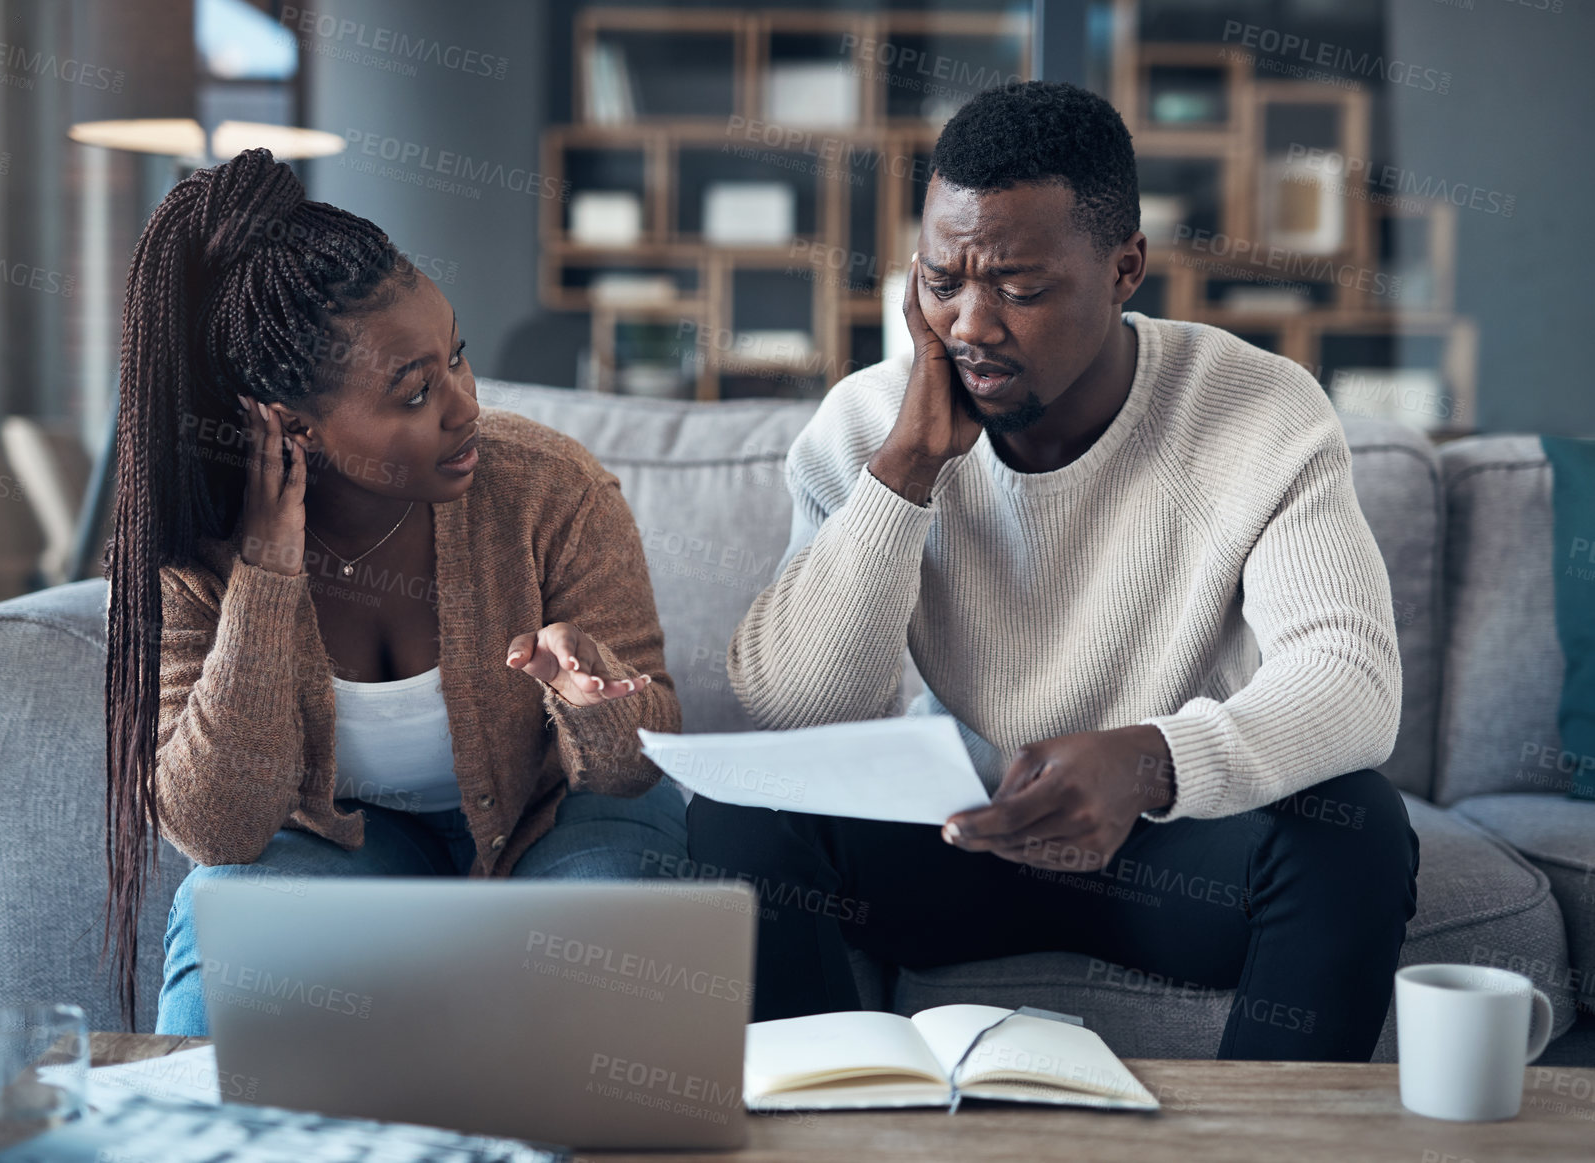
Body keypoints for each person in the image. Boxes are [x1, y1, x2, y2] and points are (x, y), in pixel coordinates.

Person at [686, 81, 1420, 1061]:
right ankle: (827, 1122)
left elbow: (1350, 683)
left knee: (1355, 825)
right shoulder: (869, 423)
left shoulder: (1258, 411)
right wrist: (903, 472)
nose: (969, 325)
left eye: (1018, 289)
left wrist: (1148, 759)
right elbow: (796, 708)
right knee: (738, 815)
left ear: (1123, 270)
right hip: (955, 845)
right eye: (940, 282)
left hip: (1168, 853)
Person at [100, 147, 687, 1036]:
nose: (464, 408)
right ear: (288, 423)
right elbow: (217, 830)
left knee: (600, 977)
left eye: (457, 358)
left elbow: (644, 765)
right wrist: (265, 577)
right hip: (347, 848)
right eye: (415, 393)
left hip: (558, 821)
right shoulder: (194, 546)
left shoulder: (546, 486)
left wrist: (596, 696)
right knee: (232, 953)